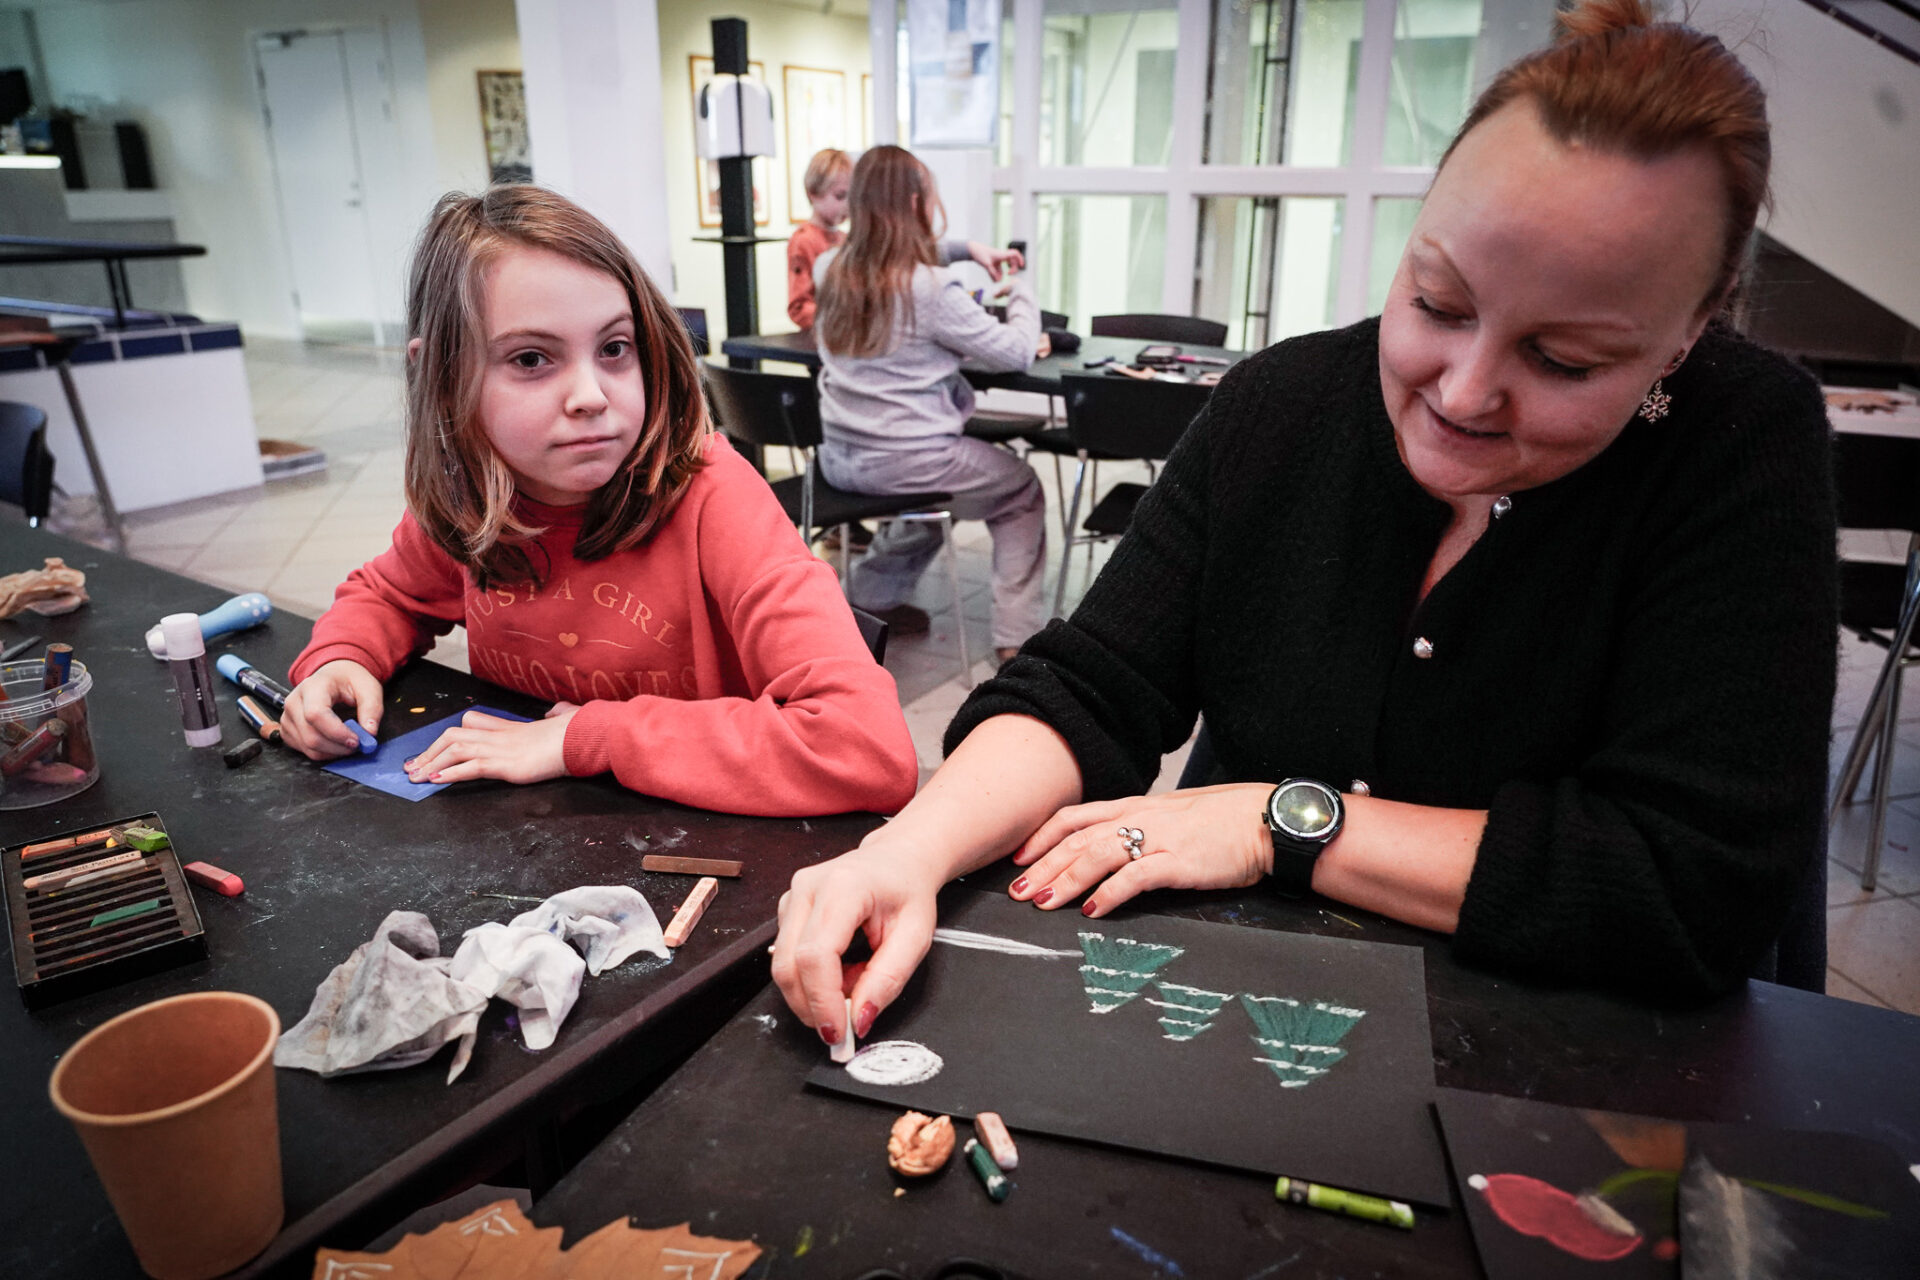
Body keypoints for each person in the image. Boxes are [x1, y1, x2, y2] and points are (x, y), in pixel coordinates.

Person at [773, 0, 1838, 1044]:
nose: (1465, 394)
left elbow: (1692, 882)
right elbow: (1092, 682)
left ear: (1695, 328)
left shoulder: (1742, 444)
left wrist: (1274, 820)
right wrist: (909, 848)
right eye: (1438, 302)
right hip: (1231, 1022)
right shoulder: (1281, 405)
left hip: (1559, 1060)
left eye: (1564, 360)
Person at [279, 186, 918, 818]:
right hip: (535, 841)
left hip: (701, 844)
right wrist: (341, 659)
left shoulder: (714, 498)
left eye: (614, 349)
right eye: (531, 359)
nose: (590, 395)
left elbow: (865, 747)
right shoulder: (474, 493)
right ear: (441, 379)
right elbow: (388, 594)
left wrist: (585, 737)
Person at [814, 145, 1047, 661]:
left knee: (936, 499)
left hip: (839, 461)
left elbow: (881, 258)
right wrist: (1022, 293)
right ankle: (1018, 638)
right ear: (916, 204)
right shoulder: (933, 289)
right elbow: (1016, 352)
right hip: (909, 461)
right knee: (1021, 490)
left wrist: (967, 249)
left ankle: (869, 601)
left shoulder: (828, 267)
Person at [787, 148, 852, 331]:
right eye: (840, 196)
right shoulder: (804, 240)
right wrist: (840, 320)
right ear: (813, 193)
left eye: (851, 196)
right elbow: (799, 307)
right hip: (820, 339)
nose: (847, 204)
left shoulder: (846, 239)